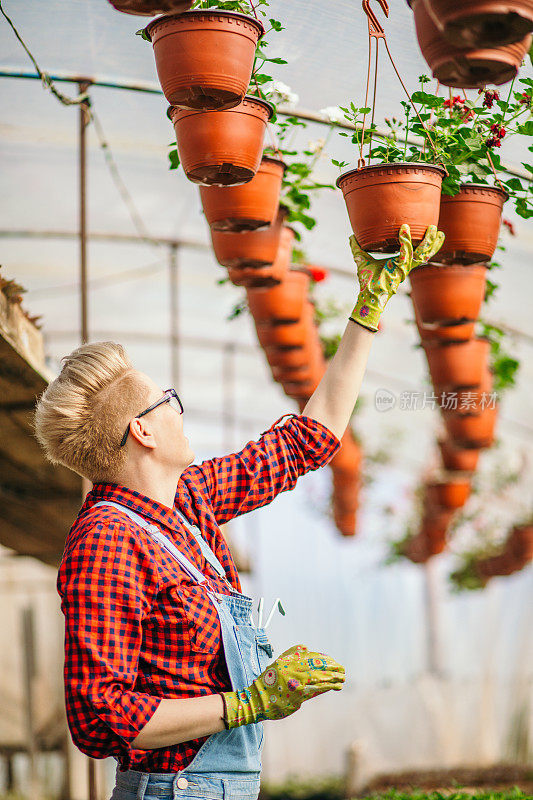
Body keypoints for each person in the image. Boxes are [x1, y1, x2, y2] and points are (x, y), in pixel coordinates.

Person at [34, 225, 443, 800]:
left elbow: (308, 439)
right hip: (174, 789)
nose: (180, 408)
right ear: (143, 430)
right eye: (167, 399)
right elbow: (100, 718)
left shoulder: (187, 501)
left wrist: (368, 309)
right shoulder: (106, 541)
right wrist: (248, 702)